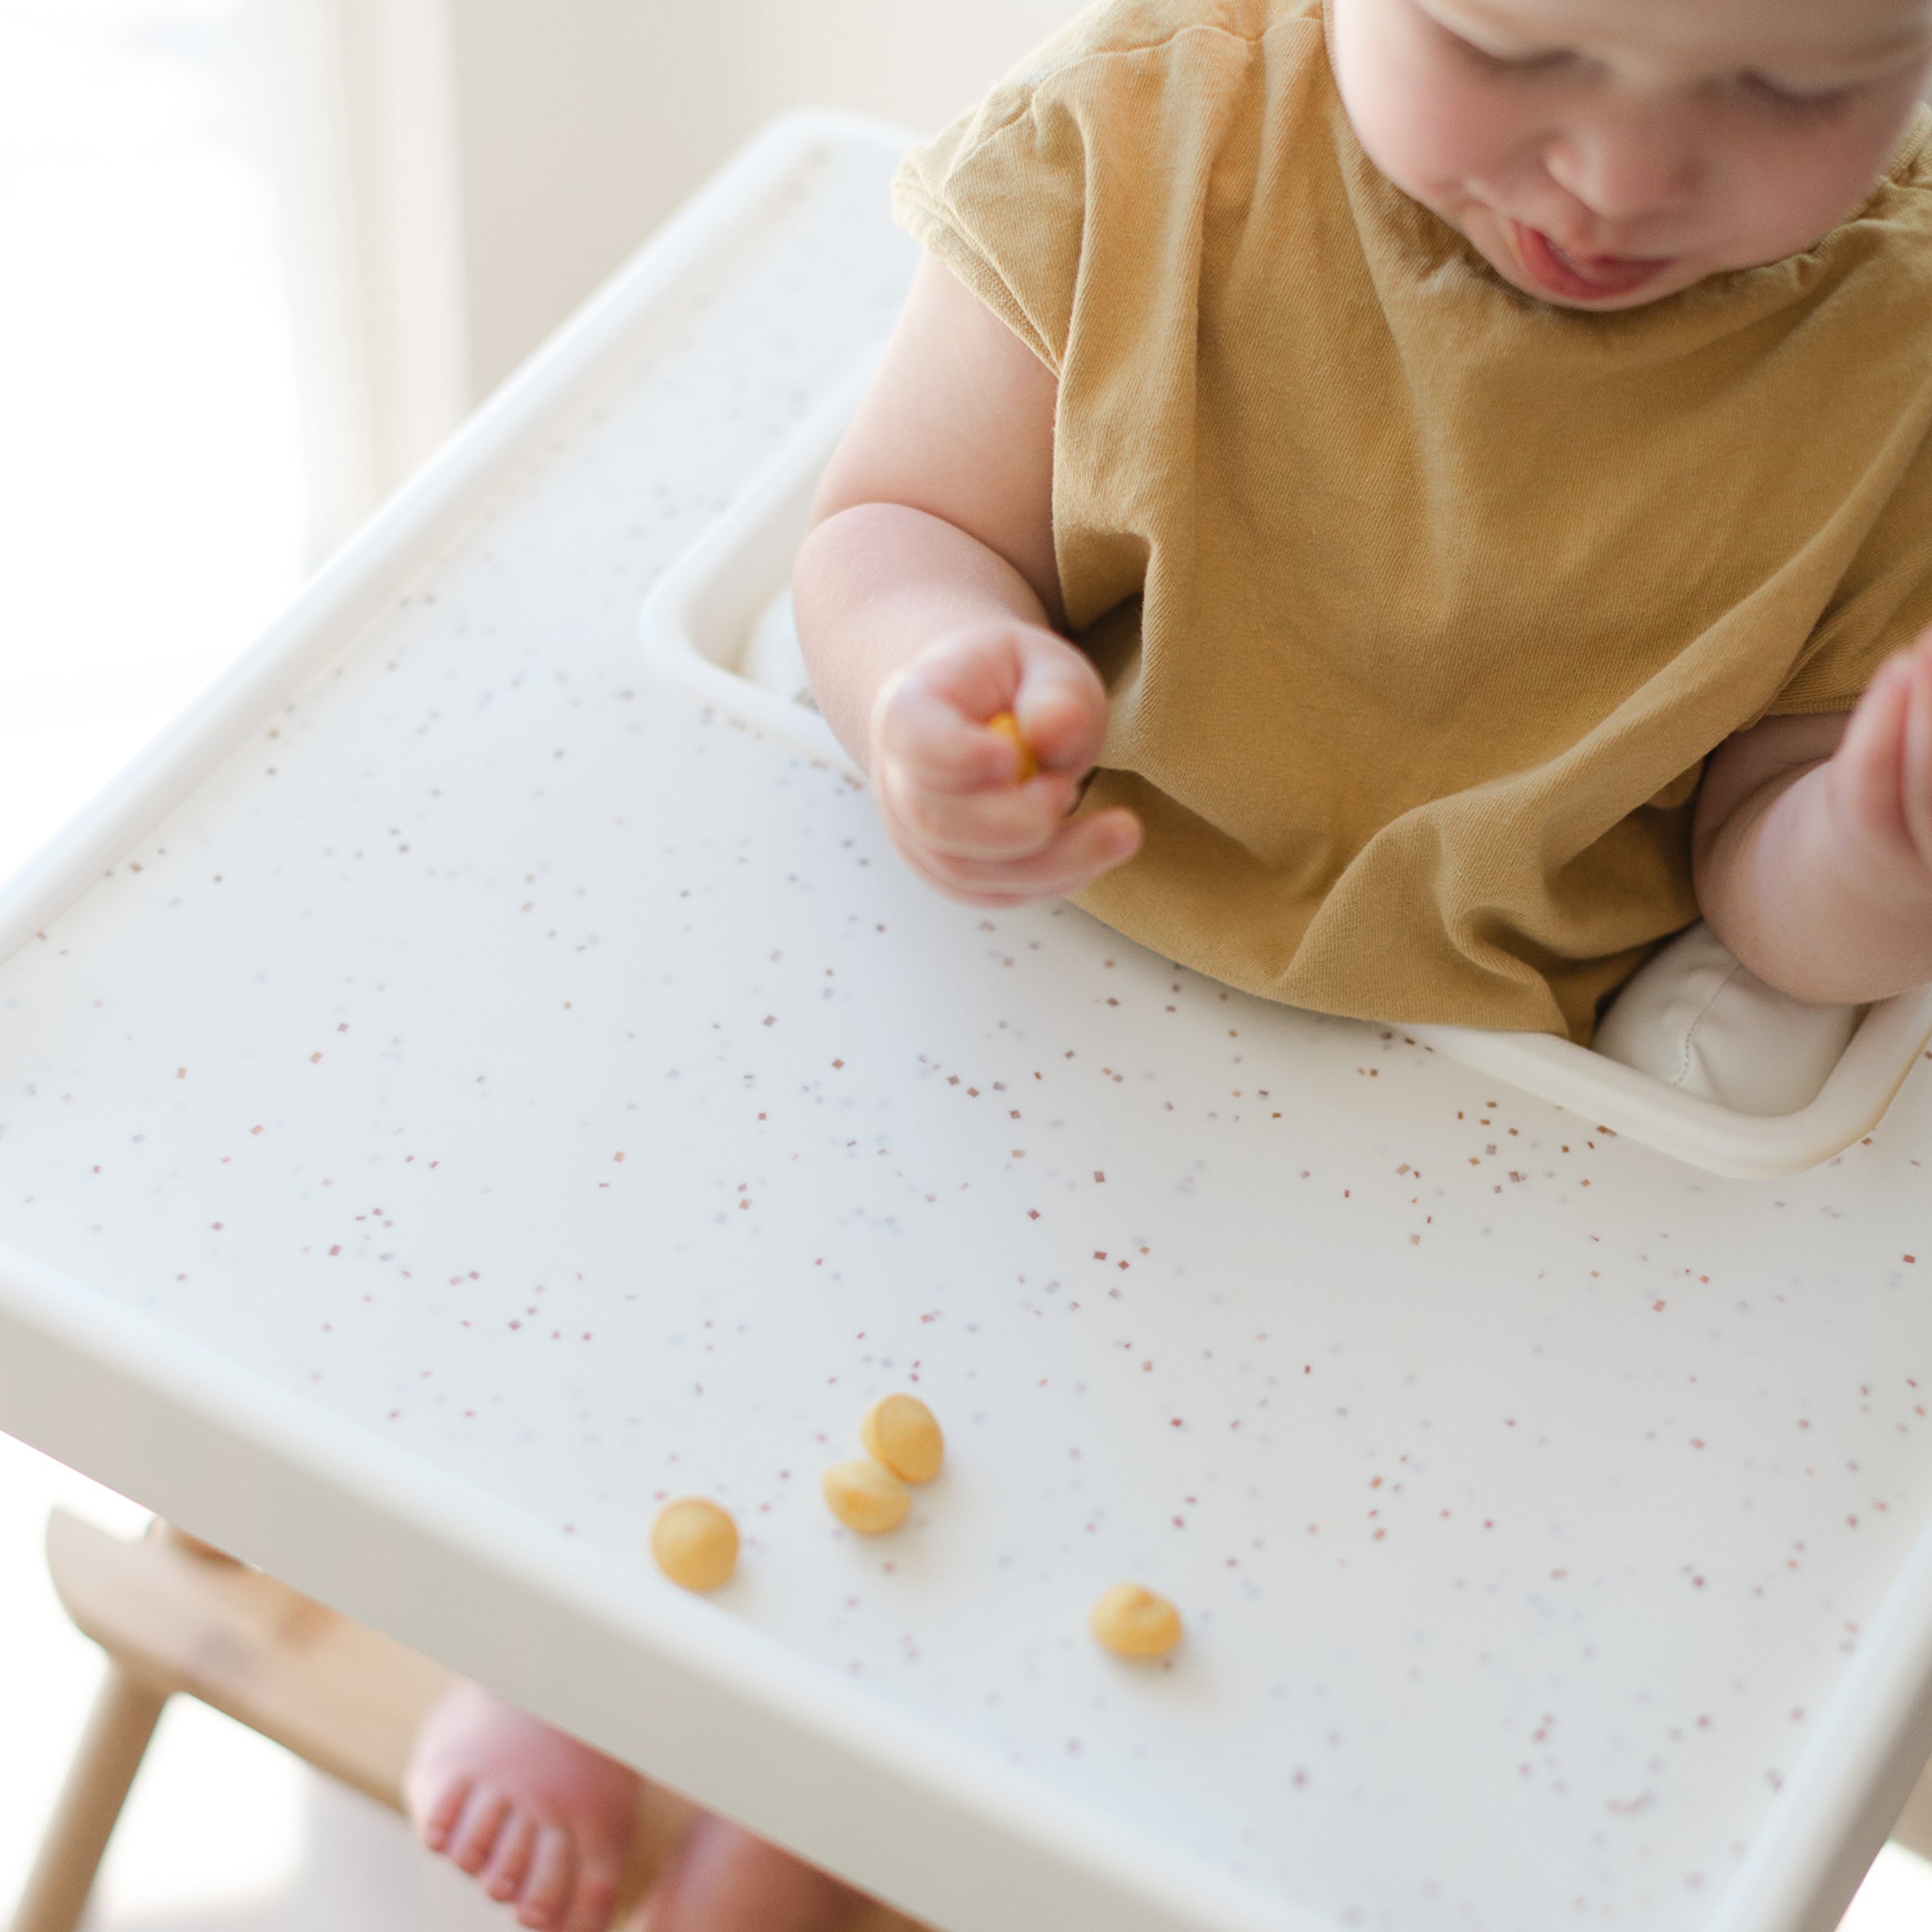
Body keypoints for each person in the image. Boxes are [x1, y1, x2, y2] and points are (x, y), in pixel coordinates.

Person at [404, 0, 1932, 1925]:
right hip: (1012, 945)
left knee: (1089, 1524)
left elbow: (1763, 880)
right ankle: (577, 1641)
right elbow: (890, 524)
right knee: (739, 1282)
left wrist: (1874, 851)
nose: (1624, 173)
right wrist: (932, 680)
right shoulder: (1153, 140)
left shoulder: (1897, 365)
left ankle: (800, 1824)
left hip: (1429, 1146)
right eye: (1503, 42)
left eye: (1794, 89)